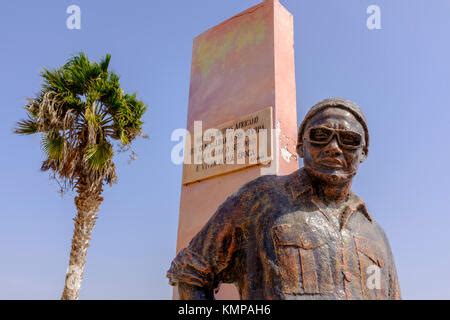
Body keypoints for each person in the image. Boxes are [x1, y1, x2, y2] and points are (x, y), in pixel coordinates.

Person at [167, 98, 401, 300]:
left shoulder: (375, 234)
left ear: (364, 152)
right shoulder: (261, 198)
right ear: (300, 146)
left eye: (349, 140)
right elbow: (190, 272)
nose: (333, 147)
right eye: (320, 135)